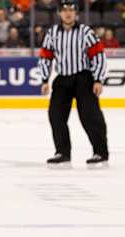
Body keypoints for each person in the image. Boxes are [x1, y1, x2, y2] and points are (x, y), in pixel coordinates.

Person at [38, 0, 109, 169]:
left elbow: (98, 55)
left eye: (71, 10)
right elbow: (46, 56)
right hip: (63, 79)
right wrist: (44, 79)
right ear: (59, 13)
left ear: (76, 13)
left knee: (90, 116)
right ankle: (62, 153)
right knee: (55, 115)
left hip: (84, 78)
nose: (68, 13)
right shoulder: (52, 33)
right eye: (64, 10)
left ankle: (100, 152)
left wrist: (98, 79)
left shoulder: (86, 32)